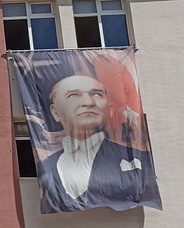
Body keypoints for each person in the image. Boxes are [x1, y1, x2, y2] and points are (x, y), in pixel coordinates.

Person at [37, 74, 161, 213]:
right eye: (73, 95)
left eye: (96, 94)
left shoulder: (140, 160)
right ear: (55, 112)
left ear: (110, 109)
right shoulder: (45, 166)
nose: (88, 102)